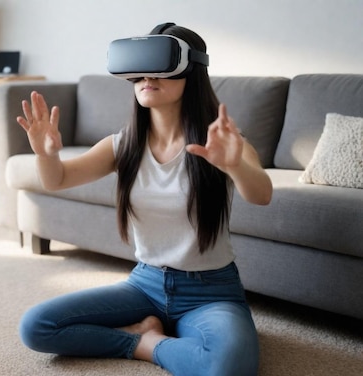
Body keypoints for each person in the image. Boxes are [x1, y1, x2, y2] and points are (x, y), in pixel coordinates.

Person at [15, 23, 272, 376]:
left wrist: (234, 166)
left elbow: (262, 195)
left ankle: (151, 341)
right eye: (138, 73)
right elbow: (57, 179)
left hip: (210, 292)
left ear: (190, 71)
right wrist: (46, 155)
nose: (146, 78)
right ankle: (141, 340)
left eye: (159, 68)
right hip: (146, 285)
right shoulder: (123, 145)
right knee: (37, 327)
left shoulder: (222, 143)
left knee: (229, 367)